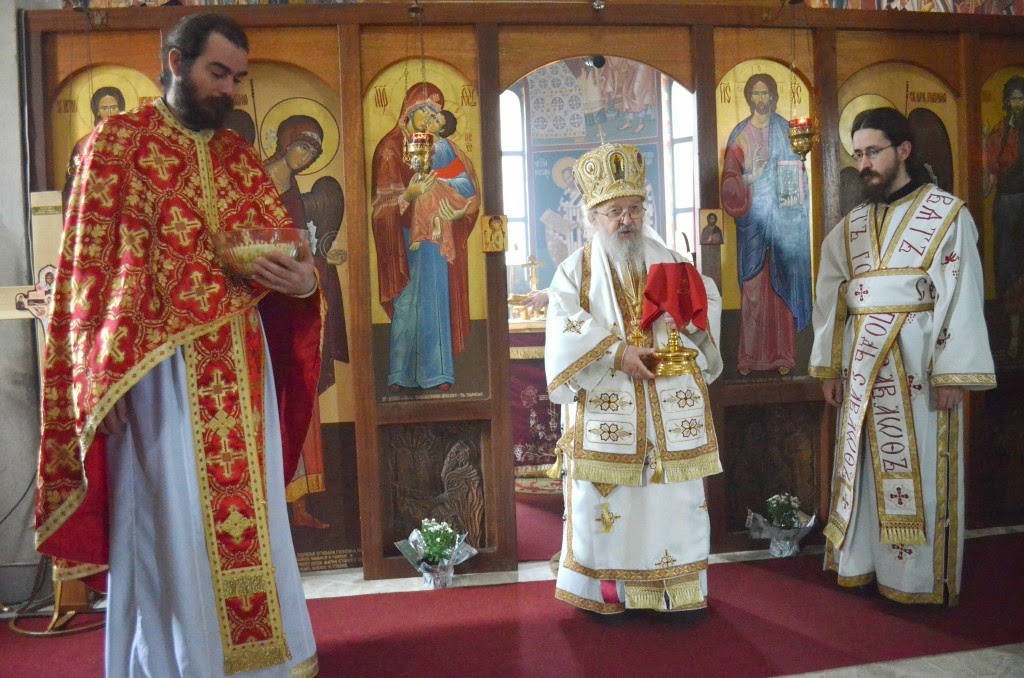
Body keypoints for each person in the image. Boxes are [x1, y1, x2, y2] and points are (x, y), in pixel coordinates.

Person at [34, 13, 323, 676]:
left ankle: (261, 664)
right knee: (169, 526)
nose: (229, 90)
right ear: (174, 62)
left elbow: (288, 257)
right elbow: (87, 274)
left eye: (238, 78)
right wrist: (97, 381)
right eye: (217, 73)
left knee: (249, 521)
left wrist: (304, 282)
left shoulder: (239, 157)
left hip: (240, 370)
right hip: (155, 377)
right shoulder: (117, 145)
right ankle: (177, 664)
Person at [809, 107, 996, 605]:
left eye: (873, 152)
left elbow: (961, 292)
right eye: (858, 154)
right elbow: (831, 295)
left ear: (904, 151)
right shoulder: (851, 226)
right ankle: (863, 564)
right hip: (861, 371)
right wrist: (829, 366)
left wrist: (952, 372)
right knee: (864, 469)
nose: (864, 164)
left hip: (920, 369)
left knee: (922, 469)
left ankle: (915, 580)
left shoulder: (946, 214)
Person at [545, 142, 723, 615]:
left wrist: (690, 317)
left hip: (666, 407)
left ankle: (675, 591)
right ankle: (609, 593)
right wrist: (617, 353)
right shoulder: (575, 271)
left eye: (634, 209)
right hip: (609, 404)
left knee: (671, 502)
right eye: (614, 211)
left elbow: (707, 305)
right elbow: (563, 325)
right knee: (608, 508)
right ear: (593, 217)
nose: (626, 220)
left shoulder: (671, 261)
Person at [264, 112, 349, 530]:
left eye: (313, 153)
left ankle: (297, 506)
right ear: (285, 142)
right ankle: (273, 506)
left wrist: (323, 258)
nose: (306, 157)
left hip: (297, 308)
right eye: (302, 147)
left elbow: (303, 240)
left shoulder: (297, 189)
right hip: (265, 308)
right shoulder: (258, 181)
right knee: (273, 403)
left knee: (302, 398)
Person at [371, 83, 479, 392]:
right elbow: (380, 206)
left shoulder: (443, 146)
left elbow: (467, 187)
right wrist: (409, 194)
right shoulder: (391, 148)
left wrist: (456, 209)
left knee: (435, 300)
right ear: (409, 110)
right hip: (403, 239)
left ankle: (438, 372)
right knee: (407, 304)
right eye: (425, 111)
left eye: (435, 114)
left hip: (436, 237)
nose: (430, 119)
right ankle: (400, 374)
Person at [721, 73, 812, 375]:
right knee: (753, 289)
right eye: (755, 94)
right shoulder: (741, 135)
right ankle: (749, 358)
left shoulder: (787, 130)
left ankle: (783, 356)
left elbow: (799, 175)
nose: (761, 99)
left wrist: (794, 187)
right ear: (749, 98)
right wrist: (752, 177)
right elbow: (729, 183)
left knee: (780, 287)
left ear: (773, 96)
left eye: (765, 93)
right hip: (753, 224)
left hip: (784, 224)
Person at [984, 75, 1024, 357]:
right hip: (1006, 206)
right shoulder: (1000, 133)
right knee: (1007, 268)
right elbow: (990, 177)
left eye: (1022, 98)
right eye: (1014, 99)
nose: (1018, 104)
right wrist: (985, 140)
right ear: (1007, 102)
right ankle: (1012, 336)